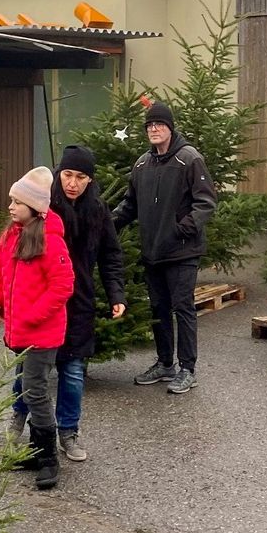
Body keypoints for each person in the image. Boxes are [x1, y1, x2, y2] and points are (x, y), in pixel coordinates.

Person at [8, 146, 126, 462]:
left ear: (90, 180)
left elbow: (111, 255)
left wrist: (117, 295)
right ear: (60, 174)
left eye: (81, 177)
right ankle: (18, 416)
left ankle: (68, 432)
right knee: (29, 367)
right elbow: (13, 250)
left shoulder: (98, 211)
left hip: (79, 304)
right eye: (68, 175)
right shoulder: (44, 206)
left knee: (73, 372)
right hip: (40, 302)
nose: (73, 183)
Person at [0, 166, 75, 490]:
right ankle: (36, 451)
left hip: (42, 334)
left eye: (17, 202)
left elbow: (63, 287)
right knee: (29, 390)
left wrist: (30, 315)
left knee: (35, 392)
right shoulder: (10, 236)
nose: (10, 207)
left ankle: (48, 460)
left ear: (35, 207)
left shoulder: (51, 241)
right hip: (18, 334)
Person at [111, 101, 216, 394]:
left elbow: (205, 202)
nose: (154, 129)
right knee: (158, 309)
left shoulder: (189, 159)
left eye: (159, 124)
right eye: (149, 125)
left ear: (170, 127)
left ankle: (187, 369)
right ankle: (165, 363)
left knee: (183, 308)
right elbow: (129, 204)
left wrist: (181, 229)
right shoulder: (142, 164)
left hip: (182, 251)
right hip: (153, 251)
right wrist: (108, 224)